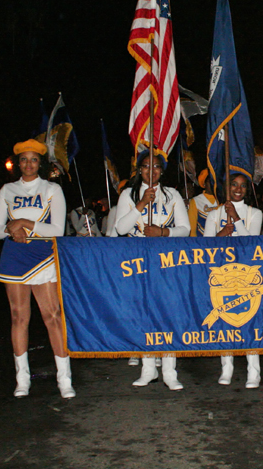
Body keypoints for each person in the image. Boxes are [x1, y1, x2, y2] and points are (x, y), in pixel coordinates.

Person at [0, 139, 75, 398]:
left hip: (43, 255)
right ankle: (22, 379)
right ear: (18, 164)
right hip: (15, 257)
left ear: (41, 163)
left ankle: (64, 379)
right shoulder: (7, 189)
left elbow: (57, 230)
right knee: (19, 317)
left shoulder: (51, 189)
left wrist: (24, 222)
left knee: (53, 316)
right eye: (24, 159)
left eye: (34, 159)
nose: (28, 164)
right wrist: (11, 229)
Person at [116, 148, 190, 391]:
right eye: (147, 166)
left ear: (162, 171)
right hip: (138, 261)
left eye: (156, 167)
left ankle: (170, 371)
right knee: (143, 314)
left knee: (168, 314)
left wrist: (163, 232)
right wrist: (139, 205)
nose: (152, 171)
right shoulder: (128, 194)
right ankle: (148, 369)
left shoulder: (172, 195)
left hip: (167, 261)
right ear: (139, 169)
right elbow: (120, 228)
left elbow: (185, 229)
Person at [204, 173, 263, 388]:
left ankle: (253, 371)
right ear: (226, 187)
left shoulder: (255, 213)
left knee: (250, 319)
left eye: (242, 186)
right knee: (224, 319)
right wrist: (221, 233)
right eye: (234, 185)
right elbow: (206, 246)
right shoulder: (214, 214)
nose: (238, 189)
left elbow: (252, 243)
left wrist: (237, 220)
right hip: (223, 275)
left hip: (246, 274)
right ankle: (226, 367)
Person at [187, 170, 219, 237]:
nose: (212, 184)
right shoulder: (196, 201)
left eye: (214, 181)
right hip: (201, 241)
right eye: (209, 181)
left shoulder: (222, 200)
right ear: (204, 184)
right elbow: (192, 227)